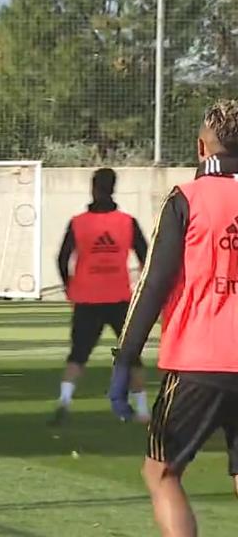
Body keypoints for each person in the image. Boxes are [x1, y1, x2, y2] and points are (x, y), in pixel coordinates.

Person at [110, 100, 238, 537]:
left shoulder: (188, 197)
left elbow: (154, 282)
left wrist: (126, 358)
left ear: (202, 148)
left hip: (199, 362)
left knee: (161, 473)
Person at [50, 168, 149, 425]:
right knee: (131, 354)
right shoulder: (127, 222)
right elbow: (147, 256)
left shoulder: (78, 222)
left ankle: (65, 401)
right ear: (113, 187)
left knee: (78, 354)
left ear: (93, 187)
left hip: (86, 298)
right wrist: (142, 285)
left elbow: (62, 259)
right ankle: (142, 410)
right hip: (119, 297)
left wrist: (69, 287)